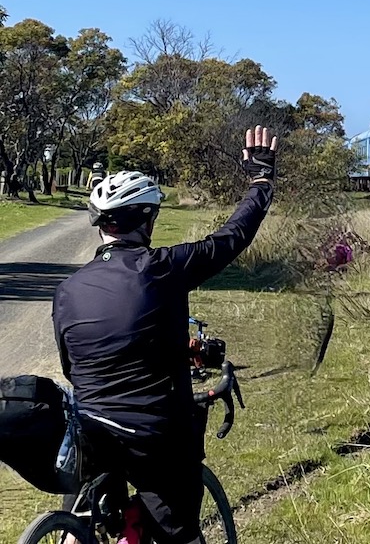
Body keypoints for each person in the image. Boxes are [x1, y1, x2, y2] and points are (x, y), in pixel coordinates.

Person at [51, 126, 278, 544]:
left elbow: (70, 365)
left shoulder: (68, 290)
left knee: (92, 514)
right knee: (179, 531)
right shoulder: (164, 267)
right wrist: (261, 181)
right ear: (148, 219)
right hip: (155, 433)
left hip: (91, 430)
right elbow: (232, 237)